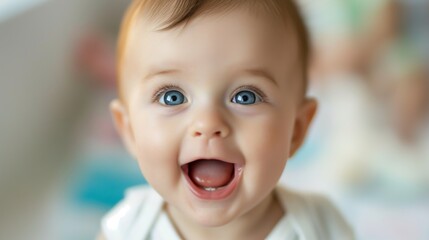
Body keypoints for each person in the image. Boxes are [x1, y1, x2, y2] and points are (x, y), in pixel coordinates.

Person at [98, 0, 354, 239]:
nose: (208, 123)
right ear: (129, 131)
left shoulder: (321, 227)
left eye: (245, 97)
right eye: (172, 97)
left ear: (296, 130)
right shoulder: (126, 228)